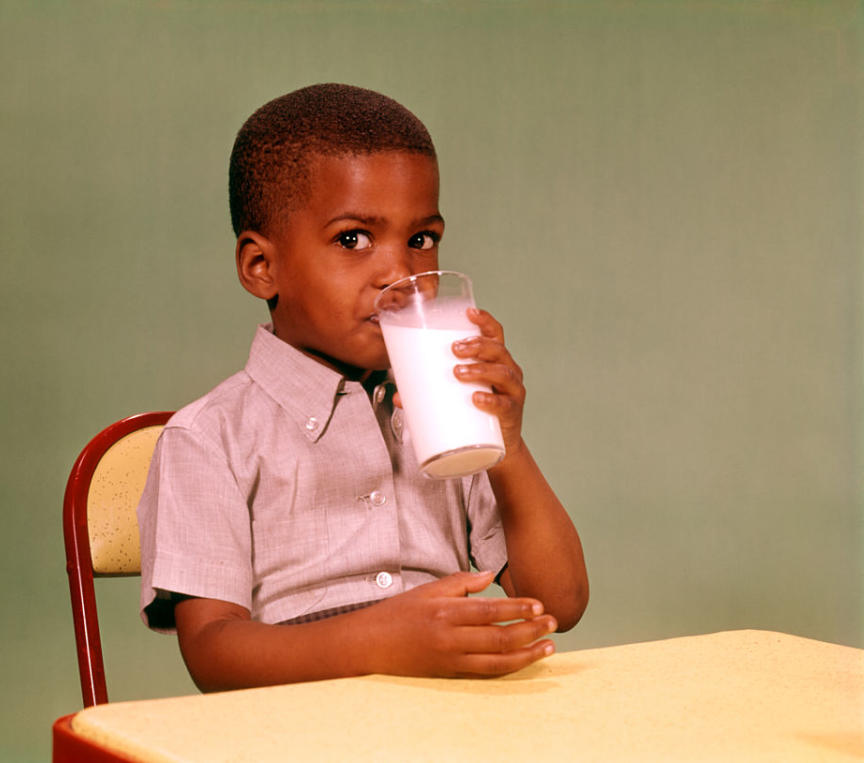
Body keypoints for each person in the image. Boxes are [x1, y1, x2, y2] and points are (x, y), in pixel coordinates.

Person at [137, 83, 588, 692]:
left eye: (421, 239)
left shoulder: (445, 410)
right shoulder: (209, 438)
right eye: (353, 239)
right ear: (261, 267)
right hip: (298, 732)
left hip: (452, 719)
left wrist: (506, 441)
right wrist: (384, 642)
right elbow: (214, 656)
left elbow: (558, 603)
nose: (400, 273)